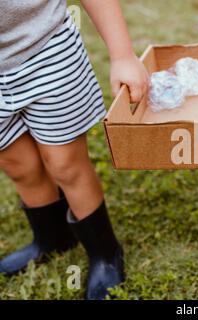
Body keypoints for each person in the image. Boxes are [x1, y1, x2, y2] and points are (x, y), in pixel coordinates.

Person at [0, 0, 148, 299]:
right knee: (17, 163)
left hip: (46, 51)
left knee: (65, 163)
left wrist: (122, 55)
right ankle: (51, 238)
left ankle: (105, 253)